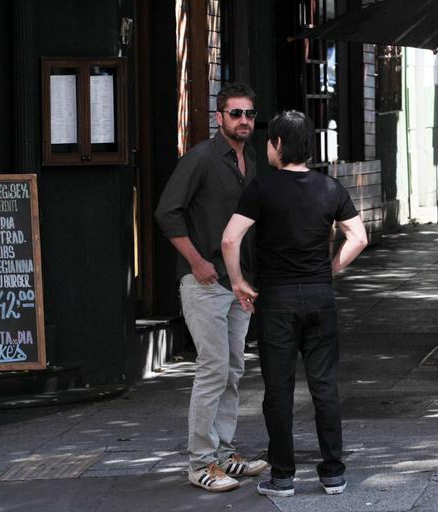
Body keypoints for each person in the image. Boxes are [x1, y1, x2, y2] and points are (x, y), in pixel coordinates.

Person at [221, 110, 368, 497]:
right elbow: (358, 237)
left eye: (270, 141)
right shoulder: (330, 188)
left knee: (279, 389)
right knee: (325, 387)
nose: (267, 146)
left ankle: (283, 476)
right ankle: (333, 473)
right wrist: (331, 267)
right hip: (320, 296)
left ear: (280, 145)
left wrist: (238, 282)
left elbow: (230, 240)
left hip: (277, 301)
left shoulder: (261, 188)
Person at [155, 82, 268, 492]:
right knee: (213, 368)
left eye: (249, 114)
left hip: (239, 284)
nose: (243, 120)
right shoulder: (201, 158)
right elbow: (167, 213)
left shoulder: (249, 160)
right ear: (219, 118)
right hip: (205, 280)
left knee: (233, 369)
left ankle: (223, 454)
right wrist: (197, 261)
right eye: (235, 113)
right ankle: (200, 462)